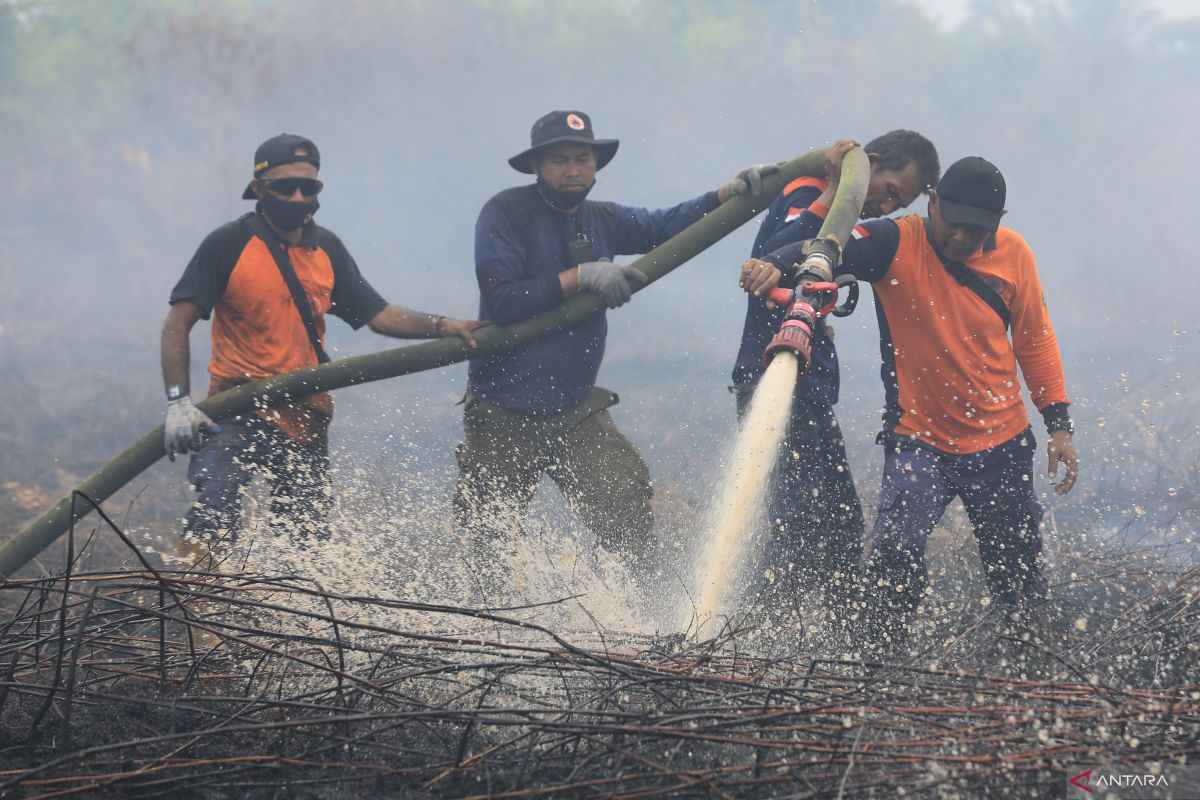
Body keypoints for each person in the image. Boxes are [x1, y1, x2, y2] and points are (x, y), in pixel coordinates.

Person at [740, 156, 1079, 653]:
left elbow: (1035, 339)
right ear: (934, 204)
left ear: (998, 225)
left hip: (1002, 441)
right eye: (955, 225)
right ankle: (877, 667)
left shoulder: (1014, 255)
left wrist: (1059, 424)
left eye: (978, 231)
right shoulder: (894, 241)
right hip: (919, 439)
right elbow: (828, 252)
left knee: (1017, 567)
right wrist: (777, 261)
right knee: (893, 557)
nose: (964, 239)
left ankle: (1032, 662)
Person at [455, 109, 777, 583]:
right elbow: (502, 301)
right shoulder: (506, 213)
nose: (573, 170)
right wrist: (581, 276)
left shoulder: (599, 218)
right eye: (560, 160)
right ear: (537, 167)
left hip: (574, 405)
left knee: (626, 508)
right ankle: (481, 626)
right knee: (486, 539)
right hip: (504, 407)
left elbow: (665, 225)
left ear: (595, 165)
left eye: (582, 159)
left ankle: (639, 621)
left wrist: (728, 194)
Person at [162, 133, 482, 552]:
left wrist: (441, 325)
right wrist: (178, 402)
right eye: (284, 187)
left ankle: (290, 612)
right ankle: (196, 610)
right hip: (237, 410)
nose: (297, 197)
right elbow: (176, 323)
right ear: (259, 190)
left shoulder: (325, 248)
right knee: (214, 520)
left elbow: (379, 314)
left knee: (305, 543)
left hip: (305, 416)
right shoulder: (229, 244)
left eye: (307, 187)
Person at [733, 131, 939, 624]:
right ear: (866, 165)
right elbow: (776, 257)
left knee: (841, 525)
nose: (882, 207)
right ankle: (750, 635)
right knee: (799, 522)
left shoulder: (843, 217)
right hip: (771, 380)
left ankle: (829, 636)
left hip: (808, 386)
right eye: (887, 190)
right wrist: (834, 193)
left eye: (897, 204)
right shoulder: (807, 191)